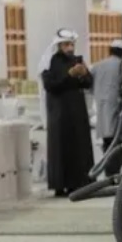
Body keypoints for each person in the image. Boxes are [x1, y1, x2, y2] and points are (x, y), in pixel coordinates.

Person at [39, 28, 95, 196]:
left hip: (77, 113)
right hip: (60, 114)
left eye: (71, 44)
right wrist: (68, 75)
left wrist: (84, 74)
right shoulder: (51, 62)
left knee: (79, 148)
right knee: (61, 148)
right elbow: (50, 85)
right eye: (66, 45)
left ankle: (78, 183)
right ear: (59, 46)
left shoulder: (77, 60)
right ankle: (60, 185)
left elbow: (88, 83)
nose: (70, 48)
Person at [91, 39, 122, 177]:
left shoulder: (97, 66)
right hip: (117, 112)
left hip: (101, 111)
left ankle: (109, 173)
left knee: (107, 143)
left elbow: (90, 88)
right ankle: (113, 174)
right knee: (118, 144)